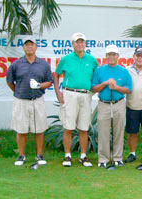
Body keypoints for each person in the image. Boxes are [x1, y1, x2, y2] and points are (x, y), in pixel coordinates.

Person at [6, 36, 53, 166]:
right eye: (27, 45)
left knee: (39, 129)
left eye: (32, 44)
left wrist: (39, 85)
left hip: (37, 100)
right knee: (21, 129)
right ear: (23, 47)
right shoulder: (16, 64)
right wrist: (18, 91)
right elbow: (10, 81)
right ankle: (21, 155)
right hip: (21, 100)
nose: (29, 47)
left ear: (36, 47)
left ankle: (39, 155)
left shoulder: (43, 64)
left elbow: (49, 82)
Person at [54, 32, 98, 167]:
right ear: (72, 44)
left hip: (86, 95)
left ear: (85, 44)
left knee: (83, 127)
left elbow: (96, 77)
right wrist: (58, 92)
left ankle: (83, 156)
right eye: (77, 42)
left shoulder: (91, 60)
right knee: (68, 127)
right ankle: (67, 156)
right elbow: (56, 75)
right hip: (70, 94)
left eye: (82, 42)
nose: (80, 44)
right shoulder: (66, 59)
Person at [91, 45, 132, 168]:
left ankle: (117, 158)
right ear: (106, 56)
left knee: (118, 131)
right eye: (109, 54)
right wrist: (104, 83)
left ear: (118, 56)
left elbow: (128, 89)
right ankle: (103, 159)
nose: (111, 57)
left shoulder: (124, 71)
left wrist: (116, 88)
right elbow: (93, 88)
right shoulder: (99, 70)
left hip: (119, 103)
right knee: (103, 132)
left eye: (114, 54)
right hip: (103, 103)